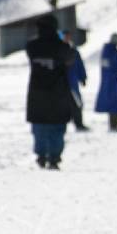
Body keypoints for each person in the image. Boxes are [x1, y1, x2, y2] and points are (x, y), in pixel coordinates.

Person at [26, 15, 75, 170]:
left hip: (37, 93)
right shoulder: (61, 47)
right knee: (57, 127)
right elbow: (71, 58)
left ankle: (41, 156)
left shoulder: (32, 46)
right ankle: (54, 158)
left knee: (39, 127)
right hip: (57, 93)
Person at [94, 33, 117, 132]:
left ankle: (112, 125)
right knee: (116, 104)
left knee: (110, 104)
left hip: (106, 83)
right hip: (115, 83)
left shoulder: (105, 53)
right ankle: (114, 126)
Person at [61, 30, 89, 132]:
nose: (67, 38)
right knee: (61, 105)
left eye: (68, 36)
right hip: (60, 84)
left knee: (77, 103)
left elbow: (80, 65)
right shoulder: (57, 50)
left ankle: (79, 124)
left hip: (72, 83)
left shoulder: (74, 51)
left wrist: (83, 78)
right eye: (65, 36)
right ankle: (60, 125)